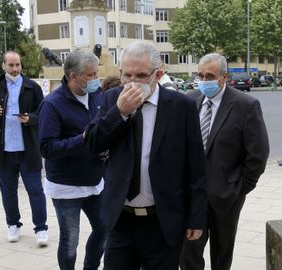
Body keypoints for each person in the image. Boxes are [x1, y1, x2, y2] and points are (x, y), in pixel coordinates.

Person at [85, 40, 208, 269]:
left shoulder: (181, 107)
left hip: (163, 222)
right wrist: (120, 113)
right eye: (126, 75)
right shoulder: (113, 98)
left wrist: (196, 217)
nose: (132, 83)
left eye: (141, 75)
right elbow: (93, 143)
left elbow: (196, 168)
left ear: (158, 73)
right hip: (121, 219)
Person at [180, 53, 269, 270]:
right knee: (188, 255)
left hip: (226, 197)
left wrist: (238, 189)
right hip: (192, 196)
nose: (204, 80)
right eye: (200, 75)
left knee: (221, 255)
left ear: (224, 77)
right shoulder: (190, 100)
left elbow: (258, 154)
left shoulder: (245, 105)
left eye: (209, 75)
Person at [38, 49, 107, 269]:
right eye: (90, 75)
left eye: (97, 73)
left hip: (95, 180)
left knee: (104, 229)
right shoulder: (52, 104)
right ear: (72, 76)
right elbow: (47, 148)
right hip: (66, 185)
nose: (96, 79)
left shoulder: (98, 96)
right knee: (71, 240)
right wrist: (83, 139)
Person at [0, 51, 48, 245]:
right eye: (11, 65)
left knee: (35, 190)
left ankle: (41, 228)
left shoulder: (32, 87)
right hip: (3, 150)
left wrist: (30, 119)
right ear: (3, 66)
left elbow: (42, 113)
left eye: (17, 64)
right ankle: (13, 224)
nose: (15, 68)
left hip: (27, 149)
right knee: (8, 191)